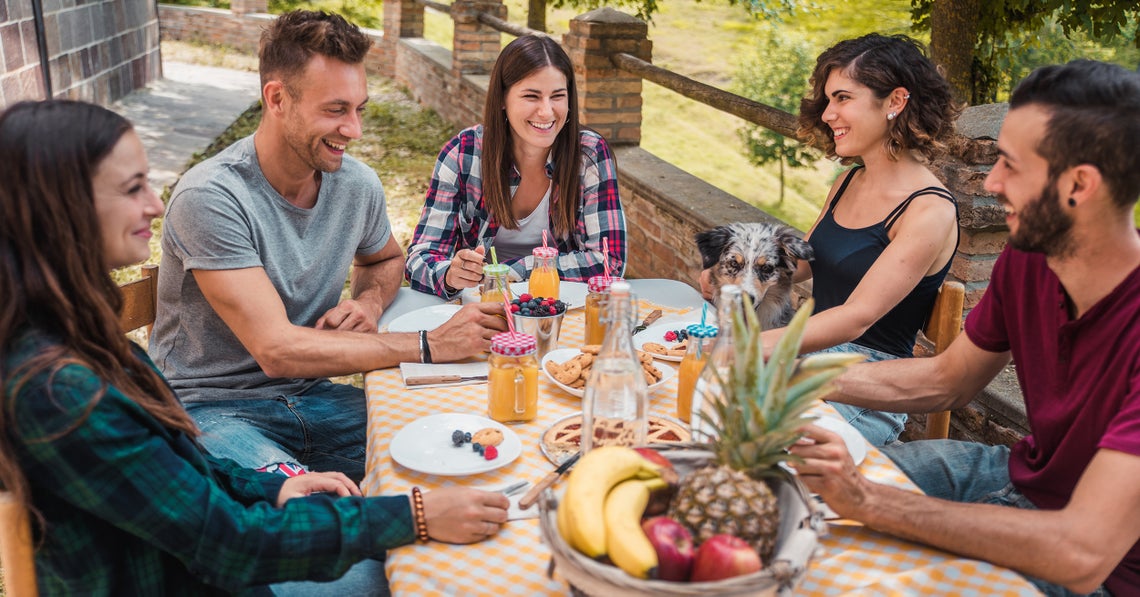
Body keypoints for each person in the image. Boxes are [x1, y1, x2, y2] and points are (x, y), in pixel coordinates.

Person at [0, 99, 510, 595]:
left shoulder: (77, 339)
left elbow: (184, 472)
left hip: (220, 535)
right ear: (58, 209)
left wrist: (271, 488)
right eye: (133, 188)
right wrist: (413, 516)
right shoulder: (55, 391)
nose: (155, 205)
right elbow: (230, 543)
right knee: (411, 575)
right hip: (203, 573)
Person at [790, 60, 1140, 597]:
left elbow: (1082, 550)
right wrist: (800, 377)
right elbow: (947, 380)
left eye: (1010, 166)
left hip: (1105, 568)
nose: (992, 184)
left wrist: (868, 500)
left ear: (1079, 185)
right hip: (1017, 477)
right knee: (797, 488)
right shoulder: (1027, 261)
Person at [151, 11, 506, 482]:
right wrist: (431, 345)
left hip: (314, 399)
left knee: (464, 450)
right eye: (336, 110)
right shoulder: (211, 197)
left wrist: (370, 300)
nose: (354, 129)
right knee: (318, 521)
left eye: (359, 108)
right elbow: (276, 350)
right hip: (210, 410)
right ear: (277, 99)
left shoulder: (355, 185)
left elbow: (385, 258)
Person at [699, 33, 961, 446]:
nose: (827, 114)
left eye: (842, 98)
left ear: (895, 102)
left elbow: (858, 315)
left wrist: (749, 347)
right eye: (827, 100)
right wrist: (734, 269)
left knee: (739, 439)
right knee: (698, 408)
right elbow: (802, 262)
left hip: (867, 384)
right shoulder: (849, 180)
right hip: (807, 359)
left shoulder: (929, 210)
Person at [404, 34, 626, 299]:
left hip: (562, 306)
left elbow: (609, 262)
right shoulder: (463, 154)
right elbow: (420, 258)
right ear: (502, 100)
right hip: (482, 306)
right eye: (531, 96)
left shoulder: (588, 154)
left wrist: (516, 271)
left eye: (557, 96)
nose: (547, 112)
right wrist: (450, 275)